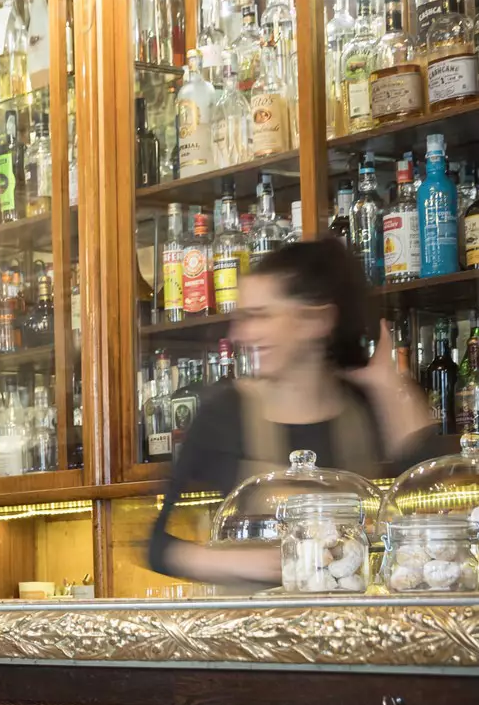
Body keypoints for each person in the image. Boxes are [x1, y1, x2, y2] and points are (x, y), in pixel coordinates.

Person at [148, 235, 434, 587]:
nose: (240, 333)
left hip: (351, 635)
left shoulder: (362, 407)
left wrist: (388, 385)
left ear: (316, 320)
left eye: (259, 316)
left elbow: (428, 504)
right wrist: (268, 562)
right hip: (252, 636)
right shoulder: (225, 412)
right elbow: (158, 548)